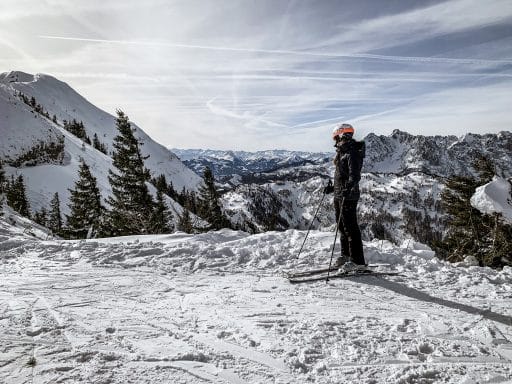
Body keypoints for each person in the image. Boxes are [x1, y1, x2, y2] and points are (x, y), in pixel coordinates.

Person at [324, 123, 366, 271]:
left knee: (351, 228)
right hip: (340, 194)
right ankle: (346, 255)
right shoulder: (343, 151)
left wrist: (348, 188)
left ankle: (358, 261)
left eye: (336, 138)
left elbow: (355, 176)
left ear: (341, 135)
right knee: (342, 226)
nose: (335, 141)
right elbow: (343, 176)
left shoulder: (352, 152)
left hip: (348, 196)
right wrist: (332, 189)